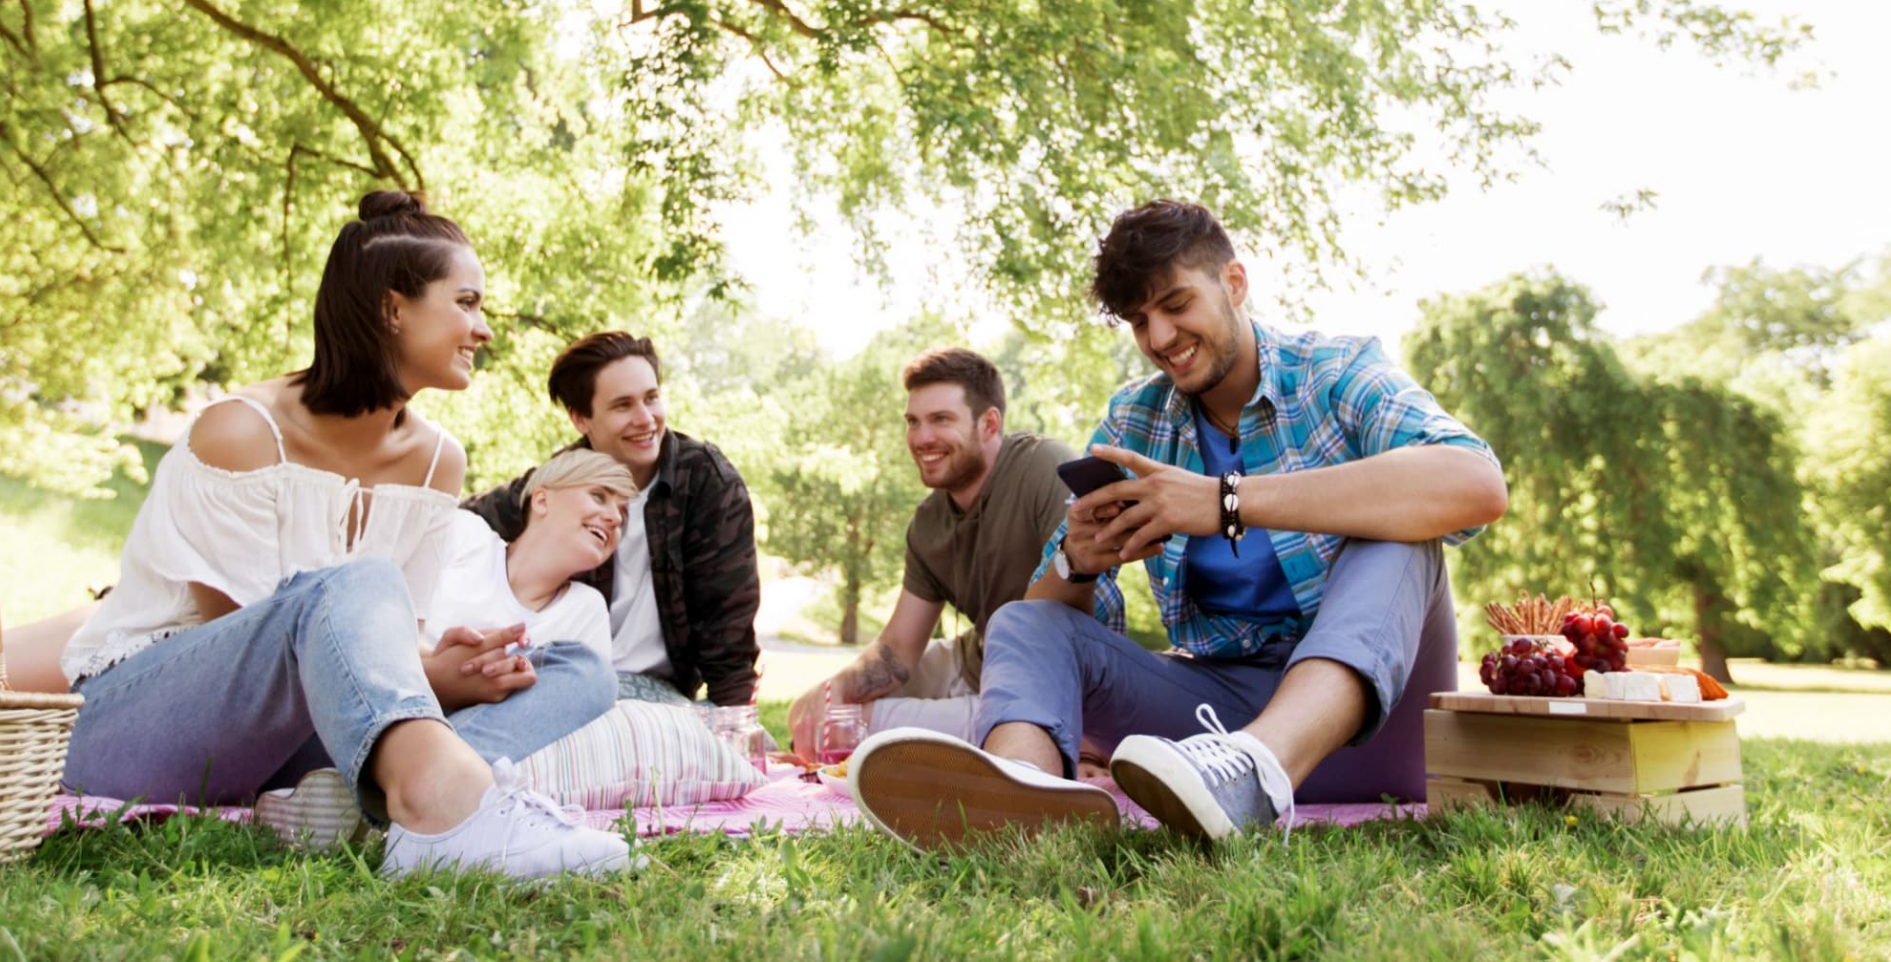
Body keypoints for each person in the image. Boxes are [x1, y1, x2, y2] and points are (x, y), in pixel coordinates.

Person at [848, 199, 1507, 849]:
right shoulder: (1135, 422)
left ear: (1234, 282)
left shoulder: (1333, 372)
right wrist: (1077, 561)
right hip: (1215, 726)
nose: (1159, 338)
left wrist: (1225, 500)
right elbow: (1058, 630)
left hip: (1375, 731)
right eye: (1140, 320)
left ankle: (1253, 771)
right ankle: (1017, 804)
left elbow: (1476, 482)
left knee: (1396, 532)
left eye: (1176, 304)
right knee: (1024, 617)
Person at [57, 191, 634, 880]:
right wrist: (421, 675)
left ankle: (360, 803)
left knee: (577, 668)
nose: (483, 330)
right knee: (358, 580)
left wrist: (446, 666)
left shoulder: (437, 461)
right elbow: (255, 646)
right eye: (467, 302)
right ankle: (440, 804)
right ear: (393, 309)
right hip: (139, 724)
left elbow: (391, 639)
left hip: (308, 738)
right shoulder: (239, 432)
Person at [784, 347, 1124, 755]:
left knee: (858, 728)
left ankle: (1065, 743)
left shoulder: (1044, 468)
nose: (922, 438)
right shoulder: (928, 523)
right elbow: (898, 651)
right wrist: (832, 692)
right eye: (913, 422)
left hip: (1049, 687)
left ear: (989, 423)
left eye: (941, 420)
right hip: (974, 661)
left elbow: (1092, 620)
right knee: (820, 712)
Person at [467, 331, 761, 706]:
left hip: (660, 694)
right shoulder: (558, 483)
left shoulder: (706, 484)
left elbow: (729, 636)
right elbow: (463, 519)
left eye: (651, 398)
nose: (646, 419)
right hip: (558, 684)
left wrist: (731, 732)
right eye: (623, 406)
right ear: (580, 419)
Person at [420, 449, 630, 666]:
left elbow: (587, 691)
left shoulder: (586, 610)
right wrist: (440, 670)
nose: (615, 518)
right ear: (541, 500)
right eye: (598, 496)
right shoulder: (465, 533)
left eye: (623, 515)